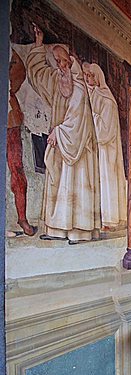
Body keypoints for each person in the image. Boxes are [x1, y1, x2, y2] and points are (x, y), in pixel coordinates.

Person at [27, 25, 100, 244]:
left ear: (70, 61)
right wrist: (39, 46)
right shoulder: (58, 81)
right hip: (61, 143)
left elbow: (77, 118)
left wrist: (58, 132)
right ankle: (57, 229)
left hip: (76, 147)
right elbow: (37, 75)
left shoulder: (78, 86)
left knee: (73, 184)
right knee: (58, 184)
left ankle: (79, 231)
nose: (60, 66)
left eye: (63, 61)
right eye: (57, 62)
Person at [82, 62, 127, 230]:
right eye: (86, 76)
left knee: (107, 183)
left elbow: (105, 131)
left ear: (98, 77)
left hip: (106, 150)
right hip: (97, 148)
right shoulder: (91, 94)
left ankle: (109, 220)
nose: (88, 79)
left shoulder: (107, 100)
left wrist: (89, 115)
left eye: (91, 76)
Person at [7, 49, 37, 236]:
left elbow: (19, 71)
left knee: (17, 170)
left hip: (10, 122)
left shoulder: (10, 55)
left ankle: (22, 218)